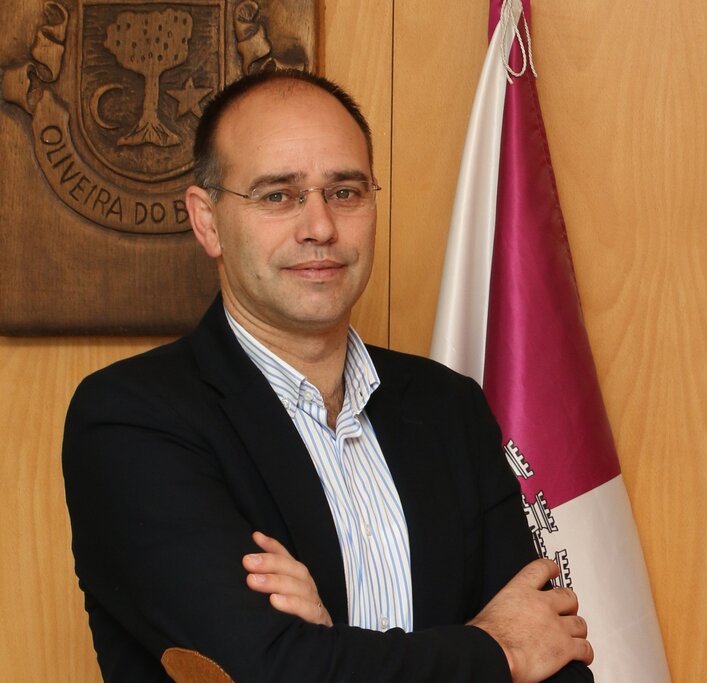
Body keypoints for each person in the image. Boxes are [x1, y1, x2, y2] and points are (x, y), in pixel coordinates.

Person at [62, 69, 593, 683]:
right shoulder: (131, 420)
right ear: (207, 220)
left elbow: (553, 652)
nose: (320, 227)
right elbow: (268, 671)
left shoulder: (449, 407)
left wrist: (328, 645)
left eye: (344, 191)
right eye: (277, 196)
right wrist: (496, 652)